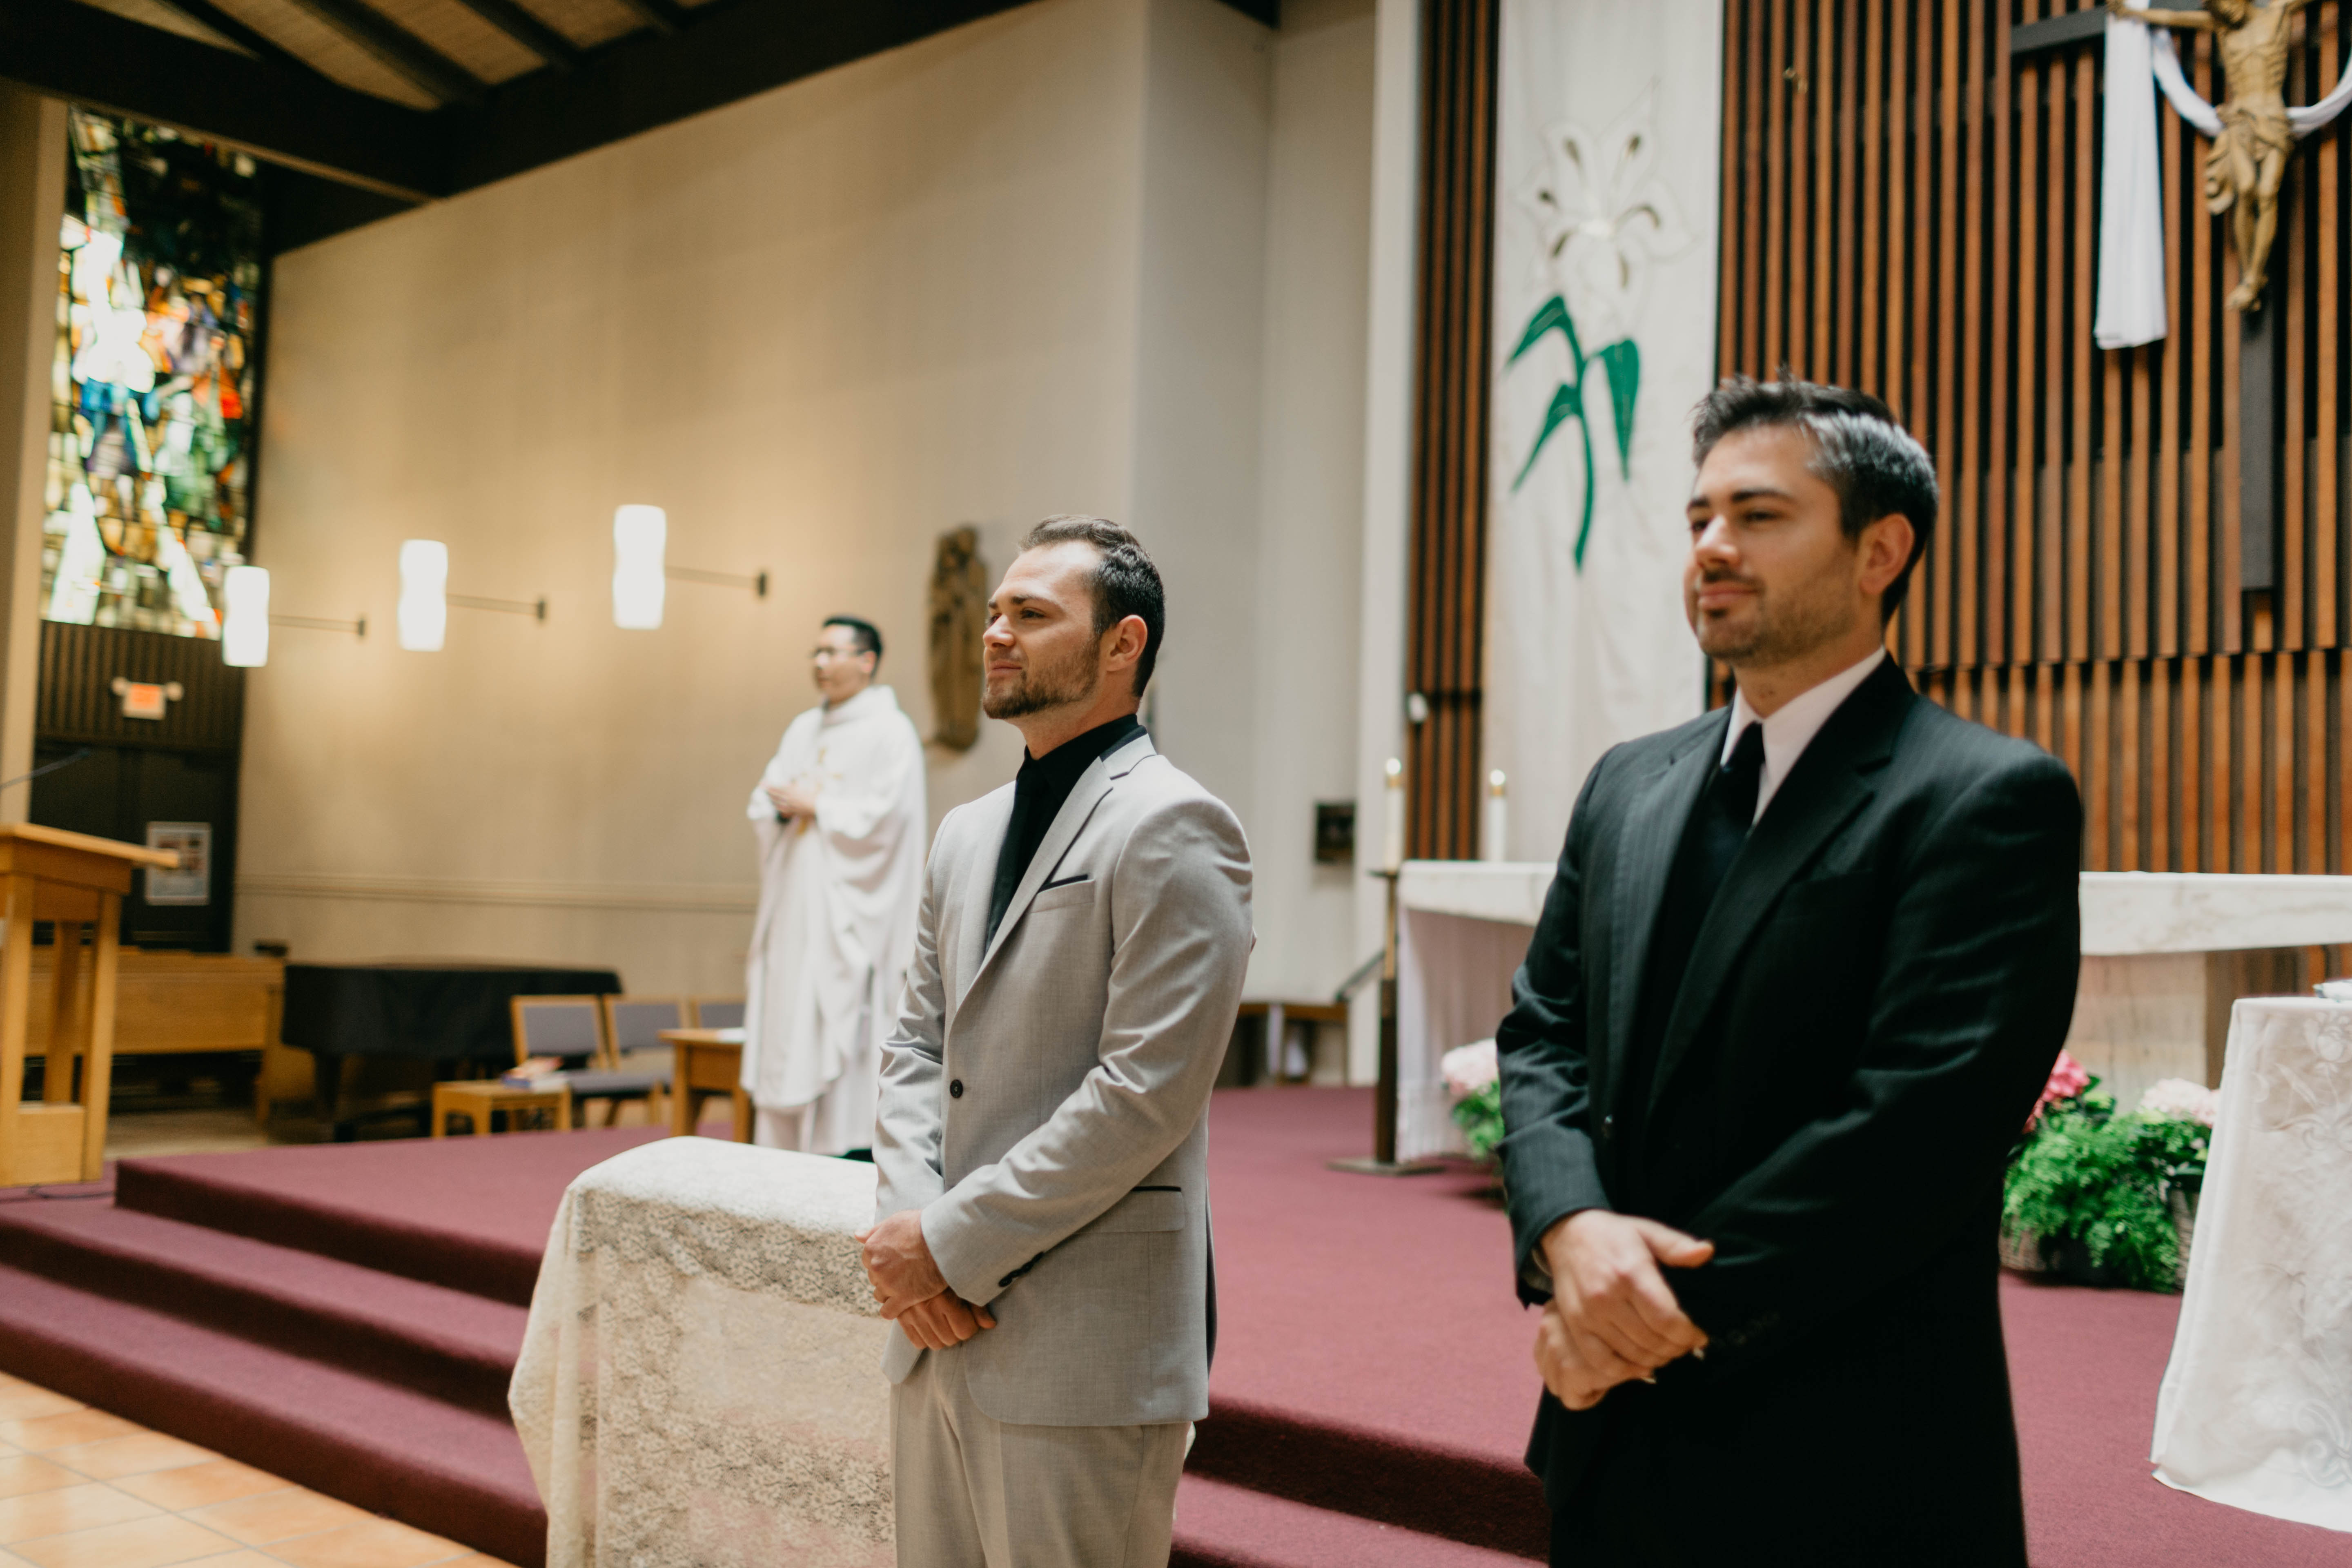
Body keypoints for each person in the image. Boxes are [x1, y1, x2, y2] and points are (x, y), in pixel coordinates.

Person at [1494, 376, 2081, 1565]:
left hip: (1843, 1444)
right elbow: (1544, 1033)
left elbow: (1918, 1124)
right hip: (1612, 1446)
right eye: (1701, 516)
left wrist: (1632, 1319)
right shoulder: (1630, 781)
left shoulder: (1980, 797)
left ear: (1882, 550)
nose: (1713, 547)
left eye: (1759, 517)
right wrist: (1566, 1228)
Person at [858, 516, 1252, 1568]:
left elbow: (1143, 1095)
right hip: (932, 1330)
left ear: (1123, 645)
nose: (996, 633)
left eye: (1032, 615)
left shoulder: (1174, 823)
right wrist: (912, 1238)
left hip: (1084, 1338)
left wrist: (947, 1247)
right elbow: (914, 1049)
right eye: (994, 612)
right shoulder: (965, 831)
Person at [740, 615, 926, 1156]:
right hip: (795, 903)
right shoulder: (803, 728)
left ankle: (839, 1150)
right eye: (815, 652)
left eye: (833, 652)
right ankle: (781, 1154)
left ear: (867, 661)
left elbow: (889, 820)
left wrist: (819, 806)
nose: (820, 664)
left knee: (838, 1021)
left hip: (847, 911)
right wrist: (783, 810)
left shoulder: (892, 732)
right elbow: (764, 799)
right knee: (787, 1012)